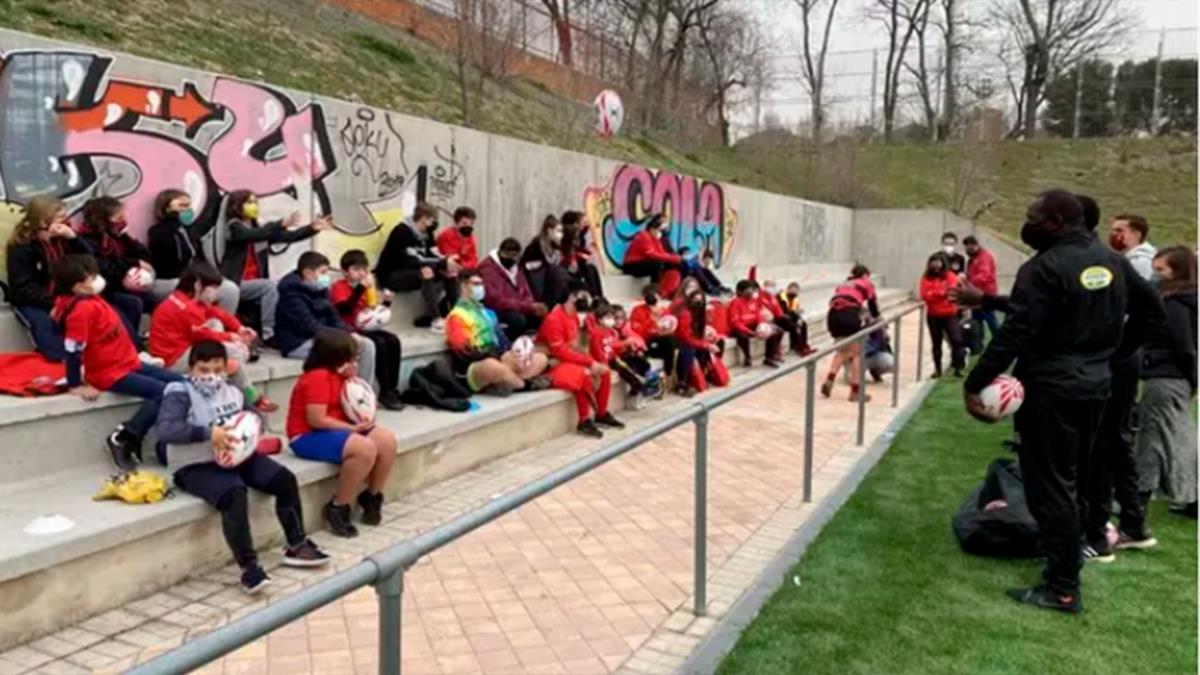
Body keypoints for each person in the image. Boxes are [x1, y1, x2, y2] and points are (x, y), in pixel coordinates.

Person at [962, 190, 1129, 615]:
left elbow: (1015, 332)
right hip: (1095, 387)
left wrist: (975, 384)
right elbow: (1148, 316)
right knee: (1073, 479)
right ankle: (1071, 558)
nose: (1027, 222)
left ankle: (1063, 587)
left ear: (1054, 221)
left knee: (1051, 488)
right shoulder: (1111, 260)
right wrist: (1107, 362)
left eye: (1033, 217)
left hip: (1052, 390)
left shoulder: (1043, 267)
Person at [155, 340, 330, 594]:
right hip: (195, 464)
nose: (211, 376)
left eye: (217, 370)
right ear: (191, 368)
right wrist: (207, 433)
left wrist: (256, 420)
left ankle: (297, 544)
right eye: (204, 370)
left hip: (238, 456)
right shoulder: (179, 392)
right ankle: (250, 568)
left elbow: (252, 417)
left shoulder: (233, 391)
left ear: (226, 369)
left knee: (284, 479)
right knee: (235, 494)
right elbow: (165, 429)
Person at [52, 255, 184, 471]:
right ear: (76, 286)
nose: (96, 280)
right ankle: (126, 436)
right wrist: (76, 384)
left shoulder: (91, 299)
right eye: (90, 278)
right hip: (110, 372)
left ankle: (169, 438)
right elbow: (73, 350)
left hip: (128, 362)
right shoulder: (80, 310)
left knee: (182, 384)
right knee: (167, 393)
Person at [287, 330, 397, 537]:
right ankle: (339, 505)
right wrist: (353, 429)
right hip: (307, 436)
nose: (356, 360)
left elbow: (357, 403)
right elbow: (317, 420)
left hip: (337, 428)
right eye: (352, 356)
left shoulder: (343, 376)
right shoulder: (317, 377)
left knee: (386, 440)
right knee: (364, 448)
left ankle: (373, 496)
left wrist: (354, 383)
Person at [149, 262, 276, 413]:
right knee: (231, 354)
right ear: (198, 285)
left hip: (181, 347)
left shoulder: (185, 299)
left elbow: (217, 313)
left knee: (215, 324)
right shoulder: (187, 308)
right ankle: (246, 396)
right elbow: (204, 336)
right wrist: (232, 338)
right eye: (213, 288)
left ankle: (227, 381)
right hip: (173, 359)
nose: (216, 293)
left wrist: (239, 328)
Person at [218, 190, 330, 344]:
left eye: (255, 202)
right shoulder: (233, 227)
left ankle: (293, 331)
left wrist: (311, 229)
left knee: (282, 286)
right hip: (235, 282)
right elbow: (250, 235)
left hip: (254, 283)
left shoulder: (259, 228)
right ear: (237, 205)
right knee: (269, 286)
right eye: (249, 202)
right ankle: (269, 335)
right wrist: (279, 224)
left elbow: (288, 236)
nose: (254, 206)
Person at [1135, 247, 1197, 521]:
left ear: (1177, 271)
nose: (1154, 275)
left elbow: (1184, 345)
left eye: (1161, 270)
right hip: (1175, 376)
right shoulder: (1184, 300)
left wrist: (1193, 377)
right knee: (1180, 437)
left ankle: (1139, 498)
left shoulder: (1175, 303)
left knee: (1153, 439)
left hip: (1167, 377)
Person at [6, 195, 92, 361]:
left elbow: (89, 261)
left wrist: (73, 238)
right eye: (61, 218)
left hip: (63, 295)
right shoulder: (22, 248)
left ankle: (125, 351)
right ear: (42, 222)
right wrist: (53, 303)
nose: (66, 221)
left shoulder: (62, 240)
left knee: (100, 307)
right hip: (33, 300)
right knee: (44, 322)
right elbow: (23, 287)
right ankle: (64, 362)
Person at [538, 280, 623, 438]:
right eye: (584, 296)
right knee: (583, 374)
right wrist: (589, 363)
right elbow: (559, 351)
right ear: (572, 296)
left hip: (566, 359)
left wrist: (593, 362)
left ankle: (601, 414)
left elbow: (574, 346)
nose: (588, 300)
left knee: (604, 370)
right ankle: (584, 421)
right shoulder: (554, 319)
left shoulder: (574, 317)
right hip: (551, 363)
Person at [445, 270, 550, 396]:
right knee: (493, 366)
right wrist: (493, 356)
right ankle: (525, 385)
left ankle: (506, 382)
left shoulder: (488, 312)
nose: (481, 288)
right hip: (474, 366)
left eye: (482, 284)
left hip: (497, 357)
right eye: (476, 284)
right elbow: (463, 352)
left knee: (540, 358)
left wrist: (513, 353)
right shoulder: (456, 316)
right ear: (463, 286)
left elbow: (502, 340)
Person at [274, 252, 376, 383]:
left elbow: (335, 319)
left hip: (322, 337)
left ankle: (363, 392)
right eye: (323, 272)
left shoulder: (321, 290)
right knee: (345, 347)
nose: (326, 277)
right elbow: (309, 326)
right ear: (308, 273)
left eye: (327, 273)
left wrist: (350, 332)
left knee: (367, 344)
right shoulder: (291, 295)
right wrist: (341, 336)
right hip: (299, 342)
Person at [78, 196, 156, 353]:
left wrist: (126, 236)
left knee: (157, 300)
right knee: (132, 303)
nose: (123, 220)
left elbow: (145, 255)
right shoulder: (86, 242)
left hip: (121, 284)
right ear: (103, 220)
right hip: (105, 290)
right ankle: (134, 349)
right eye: (118, 218)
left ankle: (160, 341)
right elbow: (105, 269)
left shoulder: (115, 235)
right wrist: (132, 264)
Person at [331, 250, 404, 410]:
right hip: (349, 328)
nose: (361, 274)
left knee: (392, 340)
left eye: (364, 269)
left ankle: (391, 388)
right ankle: (384, 390)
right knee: (378, 343)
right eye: (356, 270)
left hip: (365, 326)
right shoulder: (339, 287)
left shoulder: (367, 289)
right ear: (345, 272)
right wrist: (359, 289)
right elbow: (344, 309)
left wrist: (386, 303)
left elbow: (372, 313)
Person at [147, 189, 240, 314]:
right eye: (182, 206)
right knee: (222, 290)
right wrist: (173, 221)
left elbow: (199, 258)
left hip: (193, 278)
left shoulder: (190, 231)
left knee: (229, 289)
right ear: (167, 208)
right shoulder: (158, 231)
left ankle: (220, 328)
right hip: (167, 280)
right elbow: (170, 260)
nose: (187, 210)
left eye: (189, 206)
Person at [374, 202, 460, 330]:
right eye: (433, 219)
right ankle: (436, 318)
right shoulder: (402, 231)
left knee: (450, 272)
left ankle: (456, 314)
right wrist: (441, 263)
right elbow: (413, 260)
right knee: (427, 271)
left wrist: (447, 261)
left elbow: (434, 253)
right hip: (392, 275)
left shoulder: (427, 233)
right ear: (424, 218)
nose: (434, 223)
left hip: (412, 272)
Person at [821, 264, 879, 402]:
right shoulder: (866, 283)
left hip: (833, 315)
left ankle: (830, 379)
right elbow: (873, 305)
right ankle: (855, 392)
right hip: (849, 314)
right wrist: (877, 319)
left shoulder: (844, 284)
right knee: (856, 354)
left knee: (842, 350)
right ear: (865, 275)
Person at [588, 303, 659, 409]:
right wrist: (625, 343)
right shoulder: (598, 333)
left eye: (614, 318)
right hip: (609, 360)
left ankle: (642, 388)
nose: (615, 321)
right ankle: (640, 389)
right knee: (630, 370)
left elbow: (628, 341)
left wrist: (635, 348)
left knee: (642, 363)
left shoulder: (613, 331)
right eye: (611, 318)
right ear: (599, 319)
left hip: (616, 357)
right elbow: (608, 346)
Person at [479, 237, 547, 341]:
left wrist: (531, 305)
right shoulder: (489, 269)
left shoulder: (516, 267)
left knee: (538, 316)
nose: (513, 260)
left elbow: (525, 289)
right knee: (518, 320)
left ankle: (526, 341)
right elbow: (496, 301)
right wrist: (527, 306)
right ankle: (506, 343)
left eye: (516, 256)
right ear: (501, 253)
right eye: (509, 256)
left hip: (517, 306)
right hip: (497, 308)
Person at [919, 253, 966, 378]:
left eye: (938, 262)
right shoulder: (926, 278)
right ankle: (937, 369)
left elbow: (952, 291)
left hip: (950, 314)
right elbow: (925, 295)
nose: (935, 265)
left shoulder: (950, 276)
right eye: (933, 262)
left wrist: (936, 293)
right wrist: (941, 293)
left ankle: (958, 366)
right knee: (936, 343)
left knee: (957, 340)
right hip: (933, 315)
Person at [673, 287, 723, 398]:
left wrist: (710, 338)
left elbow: (700, 331)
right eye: (695, 300)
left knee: (719, 342)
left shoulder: (700, 313)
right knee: (688, 351)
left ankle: (706, 373)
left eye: (700, 300)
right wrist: (705, 344)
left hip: (693, 339)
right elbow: (686, 337)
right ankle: (683, 383)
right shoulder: (685, 313)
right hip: (680, 341)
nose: (698, 303)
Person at [728, 280, 783, 368]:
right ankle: (747, 357)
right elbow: (735, 323)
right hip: (740, 328)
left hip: (752, 325)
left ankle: (769, 357)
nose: (750, 293)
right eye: (747, 291)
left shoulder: (753, 301)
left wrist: (761, 326)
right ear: (740, 292)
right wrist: (750, 332)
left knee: (777, 331)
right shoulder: (735, 303)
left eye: (751, 290)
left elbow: (758, 316)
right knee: (742, 336)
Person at [520, 215, 571, 306]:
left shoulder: (555, 247)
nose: (561, 235)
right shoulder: (538, 245)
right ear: (550, 231)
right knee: (558, 273)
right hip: (533, 279)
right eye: (558, 231)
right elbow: (535, 269)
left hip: (546, 278)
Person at [628, 283, 678, 375]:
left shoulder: (663, 310)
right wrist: (651, 320)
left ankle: (668, 373)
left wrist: (663, 329)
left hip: (661, 340)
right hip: (646, 341)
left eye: (656, 296)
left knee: (671, 342)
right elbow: (636, 330)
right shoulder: (637, 310)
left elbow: (670, 326)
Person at [622, 214, 683, 289]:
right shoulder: (644, 236)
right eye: (659, 230)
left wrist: (676, 259)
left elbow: (662, 253)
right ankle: (653, 290)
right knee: (656, 263)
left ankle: (676, 288)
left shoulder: (656, 240)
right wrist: (673, 258)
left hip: (645, 263)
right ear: (652, 228)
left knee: (678, 265)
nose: (660, 233)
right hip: (631, 266)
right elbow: (652, 255)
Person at [764, 279, 814, 357]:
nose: (794, 293)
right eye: (792, 291)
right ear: (788, 289)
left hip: (789, 318)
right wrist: (794, 315)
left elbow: (793, 311)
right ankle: (799, 348)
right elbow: (781, 312)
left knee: (802, 324)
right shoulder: (780, 297)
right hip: (779, 319)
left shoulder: (794, 299)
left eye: (796, 292)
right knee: (793, 326)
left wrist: (798, 316)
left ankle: (804, 345)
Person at [561, 210, 604, 300]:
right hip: (568, 274)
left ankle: (598, 298)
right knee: (585, 282)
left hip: (578, 270)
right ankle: (595, 298)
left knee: (591, 268)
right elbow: (567, 264)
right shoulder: (565, 242)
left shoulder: (580, 238)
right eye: (580, 222)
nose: (582, 225)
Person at [962, 235, 1000, 338]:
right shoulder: (972, 259)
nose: (968, 251)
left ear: (976, 245)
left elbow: (984, 276)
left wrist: (968, 282)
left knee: (991, 321)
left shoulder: (984, 257)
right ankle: (978, 344)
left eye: (970, 248)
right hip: (976, 295)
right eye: (967, 248)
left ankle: (1001, 342)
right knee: (977, 321)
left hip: (986, 295)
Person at [1109, 214, 1157, 281]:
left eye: (1119, 230)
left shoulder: (1141, 260)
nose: (1113, 234)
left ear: (1136, 234)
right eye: (1112, 230)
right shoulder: (1123, 257)